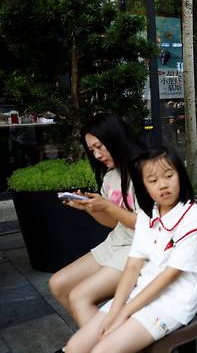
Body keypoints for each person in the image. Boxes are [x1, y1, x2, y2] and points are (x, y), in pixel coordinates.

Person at [64, 147, 197, 352]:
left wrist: (123, 314)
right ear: (144, 186)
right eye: (153, 180)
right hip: (140, 292)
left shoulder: (192, 217)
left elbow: (169, 276)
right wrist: (115, 310)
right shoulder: (147, 215)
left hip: (173, 302)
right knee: (74, 347)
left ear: (181, 176)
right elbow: (132, 267)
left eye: (169, 175)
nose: (163, 185)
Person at [49, 113, 146, 328]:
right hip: (116, 243)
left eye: (99, 146)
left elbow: (151, 226)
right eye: (92, 150)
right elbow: (113, 223)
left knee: (79, 296)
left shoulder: (147, 170)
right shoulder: (111, 176)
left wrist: (108, 207)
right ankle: (104, 341)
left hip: (141, 249)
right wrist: (90, 208)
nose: (97, 155)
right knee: (58, 284)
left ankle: (107, 345)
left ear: (115, 138)